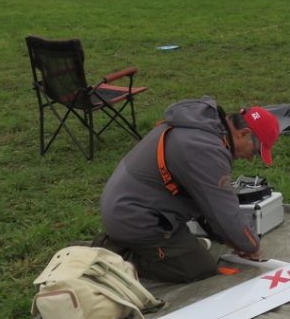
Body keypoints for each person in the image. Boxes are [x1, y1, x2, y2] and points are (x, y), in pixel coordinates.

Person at [98, 97, 280, 283]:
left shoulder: (204, 128)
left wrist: (231, 238)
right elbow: (225, 212)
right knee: (199, 268)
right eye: (256, 151)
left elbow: (207, 205)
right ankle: (117, 259)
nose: (251, 159)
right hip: (133, 217)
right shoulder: (205, 150)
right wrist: (251, 245)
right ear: (243, 133)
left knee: (199, 250)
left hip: (128, 205)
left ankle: (131, 243)